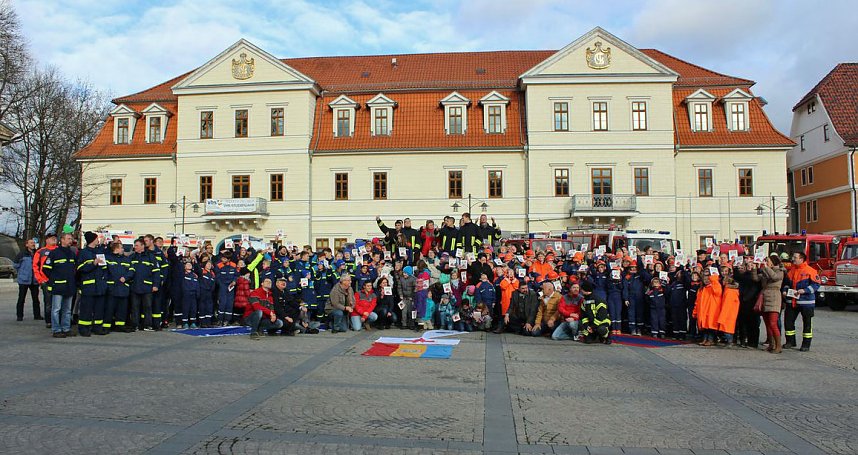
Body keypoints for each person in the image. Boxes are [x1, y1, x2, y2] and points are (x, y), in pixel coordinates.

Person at [782, 251, 820, 352]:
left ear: (801, 259)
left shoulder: (810, 271)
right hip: (792, 302)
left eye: (795, 257)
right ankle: (790, 341)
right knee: (788, 322)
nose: (793, 259)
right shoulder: (791, 270)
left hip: (806, 302)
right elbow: (786, 284)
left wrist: (805, 290)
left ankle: (806, 344)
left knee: (807, 324)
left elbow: (816, 285)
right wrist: (785, 291)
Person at [43, 233, 77, 338]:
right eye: (68, 239)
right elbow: (46, 269)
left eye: (71, 239)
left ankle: (66, 328)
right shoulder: (54, 253)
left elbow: (75, 269)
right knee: (56, 309)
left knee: (67, 309)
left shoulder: (71, 254)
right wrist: (54, 279)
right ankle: (56, 330)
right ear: (62, 240)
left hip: (69, 286)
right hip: (58, 286)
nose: (70, 240)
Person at [77, 232, 109, 336]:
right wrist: (93, 264)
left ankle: (97, 327)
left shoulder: (99, 251)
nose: (98, 240)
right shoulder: (84, 253)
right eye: (96, 238)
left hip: (100, 286)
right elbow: (80, 268)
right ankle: (84, 328)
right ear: (92, 240)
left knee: (99, 308)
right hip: (88, 286)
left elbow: (104, 268)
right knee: (86, 309)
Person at [129, 238, 162, 332]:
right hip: (135, 286)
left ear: (142, 246)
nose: (134, 247)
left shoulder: (150, 257)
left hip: (147, 287)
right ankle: (135, 325)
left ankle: (147, 325)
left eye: (136, 245)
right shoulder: (132, 257)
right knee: (135, 307)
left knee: (147, 307)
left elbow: (156, 272)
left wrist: (156, 285)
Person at [757, 255, 785, 354]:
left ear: (773, 262)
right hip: (765, 298)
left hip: (774, 298)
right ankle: (771, 344)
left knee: (773, 323)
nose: (766, 262)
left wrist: (766, 268)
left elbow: (774, 277)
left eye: (767, 261)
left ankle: (778, 346)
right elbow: (756, 279)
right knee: (768, 323)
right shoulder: (766, 270)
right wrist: (754, 268)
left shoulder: (779, 271)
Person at [105, 241, 133, 332]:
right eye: (121, 248)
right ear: (116, 249)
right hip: (112, 288)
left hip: (123, 288)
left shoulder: (126, 259)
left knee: (122, 308)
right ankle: (107, 326)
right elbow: (106, 271)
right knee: (109, 308)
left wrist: (126, 277)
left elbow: (131, 270)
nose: (123, 249)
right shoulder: (108, 258)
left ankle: (120, 325)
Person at [33, 233, 58, 328]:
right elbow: (35, 266)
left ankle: (57, 320)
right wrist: (40, 280)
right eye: (52, 238)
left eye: (55, 238)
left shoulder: (59, 250)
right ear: (47, 240)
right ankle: (49, 321)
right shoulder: (41, 251)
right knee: (48, 302)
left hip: (57, 280)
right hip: (45, 281)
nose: (54, 240)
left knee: (58, 302)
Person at [13, 238, 41, 322]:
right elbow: (15, 265)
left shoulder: (37, 254)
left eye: (34, 243)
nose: (33, 244)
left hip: (34, 280)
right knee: (21, 299)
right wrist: (22, 272)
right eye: (31, 243)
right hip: (24, 280)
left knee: (36, 299)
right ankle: (19, 316)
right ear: (26, 245)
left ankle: (37, 315)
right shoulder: (21, 254)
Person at [215, 252, 237, 326]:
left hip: (231, 287)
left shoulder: (233, 265)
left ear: (229, 259)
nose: (222, 259)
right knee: (222, 303)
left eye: (224, 258)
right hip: (222, 287)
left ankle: (227, 320)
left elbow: (236, 275)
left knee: (229, 304)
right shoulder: (219, 265)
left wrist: (234, 281)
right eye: (222, 258)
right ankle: (220, 320)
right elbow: (217, 277)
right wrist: (222, 285)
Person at [180, 261, 199, 329]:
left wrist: (197, 293)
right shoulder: (183, 275)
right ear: (184, 267)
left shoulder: (194, 275)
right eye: (187, 264)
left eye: (190, 264)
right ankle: (185, 323)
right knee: (186, 309)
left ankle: (193, 323)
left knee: (193, 309)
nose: (189, 265)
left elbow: (197, 285)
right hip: (186, 294)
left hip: (193, 294)